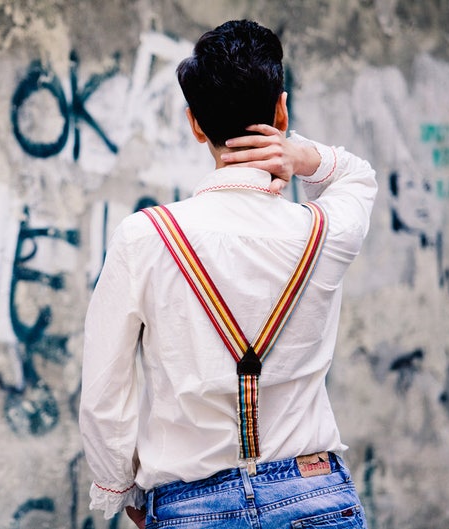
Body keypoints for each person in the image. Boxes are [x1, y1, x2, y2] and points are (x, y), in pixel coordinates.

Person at [79, 19, 377, 529]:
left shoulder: (146, 236)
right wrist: (303, 154)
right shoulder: (325, 231)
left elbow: (105, 390)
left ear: (195, 124)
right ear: (281, 110)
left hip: (190, 506)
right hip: (315, 497)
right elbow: (355, 176)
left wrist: (120, 488)